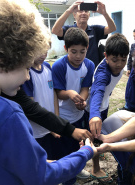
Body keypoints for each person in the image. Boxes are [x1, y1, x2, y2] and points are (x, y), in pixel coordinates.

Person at [0, 0, 96, 185]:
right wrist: (84, 153)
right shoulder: (8, 114)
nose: (28, 77)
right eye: (25, 67)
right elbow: (41, 175)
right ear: (1, 65)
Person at [52, 27, 95, 184]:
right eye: (73, 51)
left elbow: (85, 88)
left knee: (76, 146)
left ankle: (76, 170)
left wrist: (82, 100)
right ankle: (67, 177)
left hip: (78, 115)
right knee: (63, 150)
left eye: (82, 52)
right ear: (66, 49)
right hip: (63, 117)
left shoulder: (89, 65)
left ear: (87, 49)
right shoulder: (59, 66)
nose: (78, 56)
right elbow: (57, 93)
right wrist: (70, 94)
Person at [85, 33, 129, 183]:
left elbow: (106, 92)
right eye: (114, 60)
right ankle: (95, 168)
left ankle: (99, 151)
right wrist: (95, 114)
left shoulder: (120, 66)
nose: (119, 64)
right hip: (92, 110)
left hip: (103, 106)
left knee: (100, 136)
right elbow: (97, 91)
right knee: (94, 138)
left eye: (123, 60)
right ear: (106, 56)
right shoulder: (103, 73)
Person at [52, 0, 116, 67]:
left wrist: (104, 13)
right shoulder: (69, 30)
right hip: (74, 68)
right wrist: (68, 11)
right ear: (74, 15)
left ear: (89, 14)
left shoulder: (95, 29)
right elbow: (55, 31)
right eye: (80, 11)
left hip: (92, 69)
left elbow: (112, 28)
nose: (83, 13)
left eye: (86, 11)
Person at [22, 53, 61, 157]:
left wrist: (56, 119)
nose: (43, 55)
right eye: (39, 51)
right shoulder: (27, 73)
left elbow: (54, 94)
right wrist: (51, 126)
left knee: (55, 157)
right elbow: (31, 107)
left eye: (46, 51)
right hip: (37, 131)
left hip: (51, 126)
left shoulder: (47, 67)